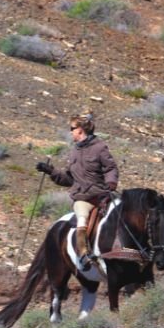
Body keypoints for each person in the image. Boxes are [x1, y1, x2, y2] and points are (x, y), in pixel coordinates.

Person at [36, 111, 119, 271]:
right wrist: (50, 171)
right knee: (82, 219)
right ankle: (83, 254)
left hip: (102, 195)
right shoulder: (74, 151)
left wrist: (111, 182)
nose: (71, 131)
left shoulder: (100, 147)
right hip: (83, 198)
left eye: (72, 128)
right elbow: (68, 179)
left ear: (80, 129)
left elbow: (110, 168)